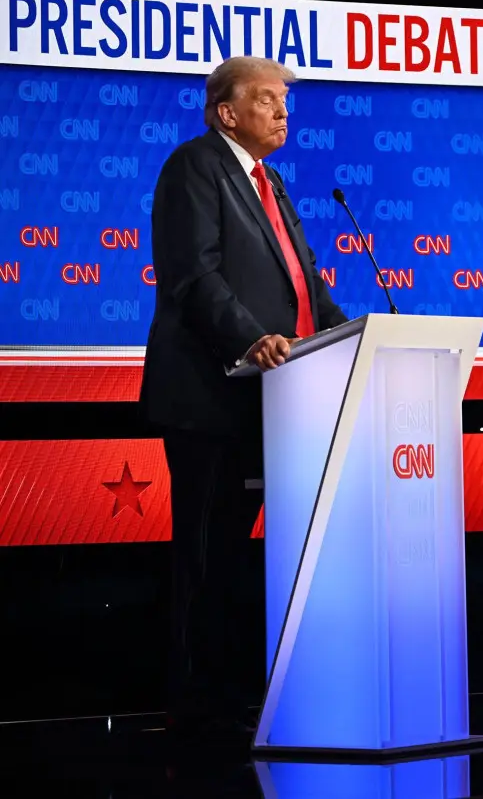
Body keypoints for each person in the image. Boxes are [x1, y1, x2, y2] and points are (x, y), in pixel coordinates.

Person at [139, 56, 348, 737]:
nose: (282, 112)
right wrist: (252, 336)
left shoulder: (271, 182)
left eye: (284, 101)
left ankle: (240, 698)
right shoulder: (194, 168)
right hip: (210, 399)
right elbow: (191, 277)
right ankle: (194, 709)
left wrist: (361, 337)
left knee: (245, 558)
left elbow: (304, 286)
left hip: (276, 403)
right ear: (226, 112)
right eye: (266, 100)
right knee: (207, 555)